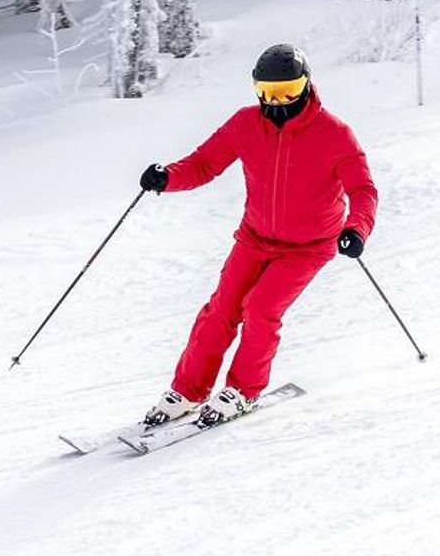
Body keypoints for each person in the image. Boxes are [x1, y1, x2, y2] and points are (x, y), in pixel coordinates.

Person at [139, 43, 377, 427]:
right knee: (221, 310)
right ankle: (188, 391)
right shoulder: (246, 124)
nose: (276, 101)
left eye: (287, 91)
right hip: (254, 238)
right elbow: (203, 164)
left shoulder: (335, 134)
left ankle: (243, 391)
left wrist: (357, 229)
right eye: (266, 92)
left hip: (307, 247)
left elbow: (363, 190)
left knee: (262, 309)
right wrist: (167, 178)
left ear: (306, 85)